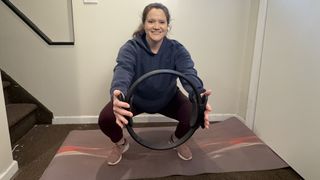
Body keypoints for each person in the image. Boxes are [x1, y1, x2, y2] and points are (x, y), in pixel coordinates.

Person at [98, 2, 212, 166]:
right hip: (136, 99)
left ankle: (177, 140)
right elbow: (123, 70)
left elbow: (189, 74)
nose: (156, 26)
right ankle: (121, 144)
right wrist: (118, 94)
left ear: (167, 26)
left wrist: (198, 95)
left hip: (168, 98)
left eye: (161, 22)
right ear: (144, 24)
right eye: (151, 21)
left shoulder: (177, 49)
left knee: (195, 113)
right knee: (106, 118)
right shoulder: (130, 48)